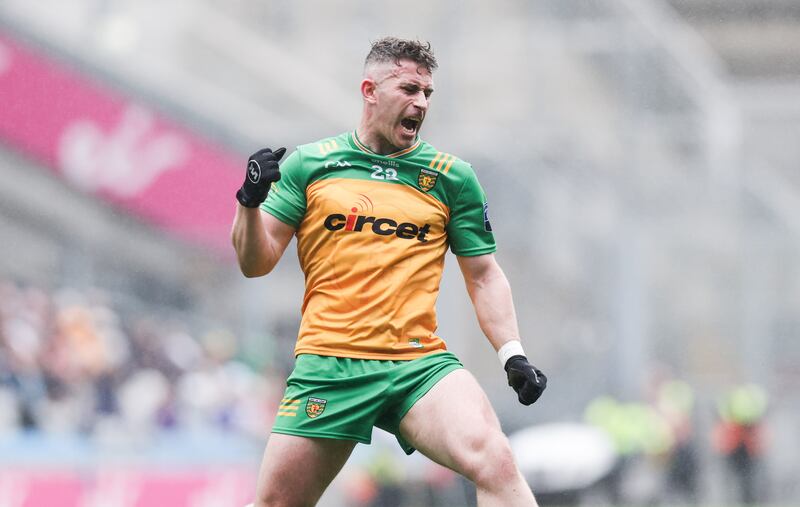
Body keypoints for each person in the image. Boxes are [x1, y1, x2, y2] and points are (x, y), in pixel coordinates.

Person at [231, 36, 547, 507]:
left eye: (427, 94)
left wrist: (512, 353)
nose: (420, 103)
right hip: (331, 365)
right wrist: (249, 203)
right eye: (408, 89)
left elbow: (483, 274)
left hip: (416, 364)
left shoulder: (451, 177)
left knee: (496, 460)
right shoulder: (310, 165)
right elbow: (254, 262)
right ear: (370, 90)